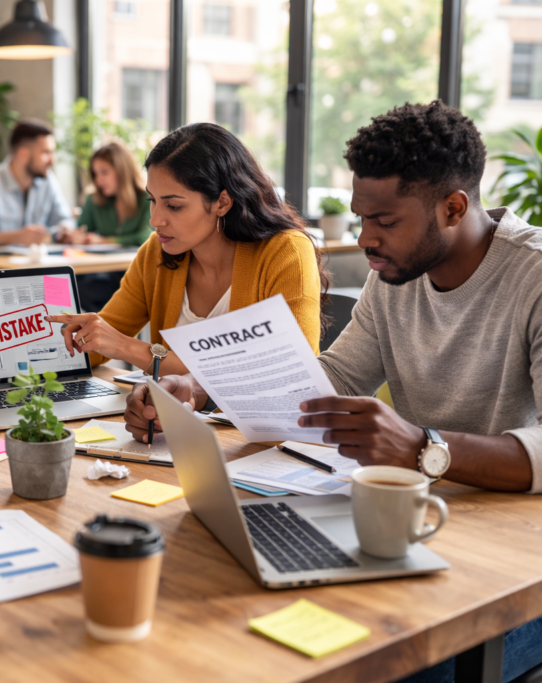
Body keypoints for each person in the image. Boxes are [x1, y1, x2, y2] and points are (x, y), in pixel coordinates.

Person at [125, 101, 542, 682]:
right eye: (360, 218)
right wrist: (200, 387)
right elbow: (334, 379)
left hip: (514, 572)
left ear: (453, 208)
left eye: (385, 221)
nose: (365, 240)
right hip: (409, 523)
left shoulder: (533, 275)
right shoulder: (393, 274)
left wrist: (423, 447)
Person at [47, 122, 328, 377]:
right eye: (152, 200)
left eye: (174, 206)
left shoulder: (287, 252)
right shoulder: (156, 252)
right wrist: (52, 344)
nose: (155, 220)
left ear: (222, 202)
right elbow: (96, 343)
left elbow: (292, 373)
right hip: (164, 415)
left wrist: (129, 348)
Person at [0, 119, 77, 250]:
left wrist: (63, 233)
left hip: (36, 262)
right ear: (23, 155)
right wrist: (16, 237)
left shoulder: (48, 180)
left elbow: (65, 220)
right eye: (46, 153)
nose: (53, 160)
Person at [71, 140, 152, 247]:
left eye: (104, 172)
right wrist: (76, 237)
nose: (98, 180)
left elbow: (145, 238)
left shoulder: (148, 198)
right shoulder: (93, 199)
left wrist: (104, 241)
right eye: (95, 174)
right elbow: (81, 231)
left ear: (122, 170)